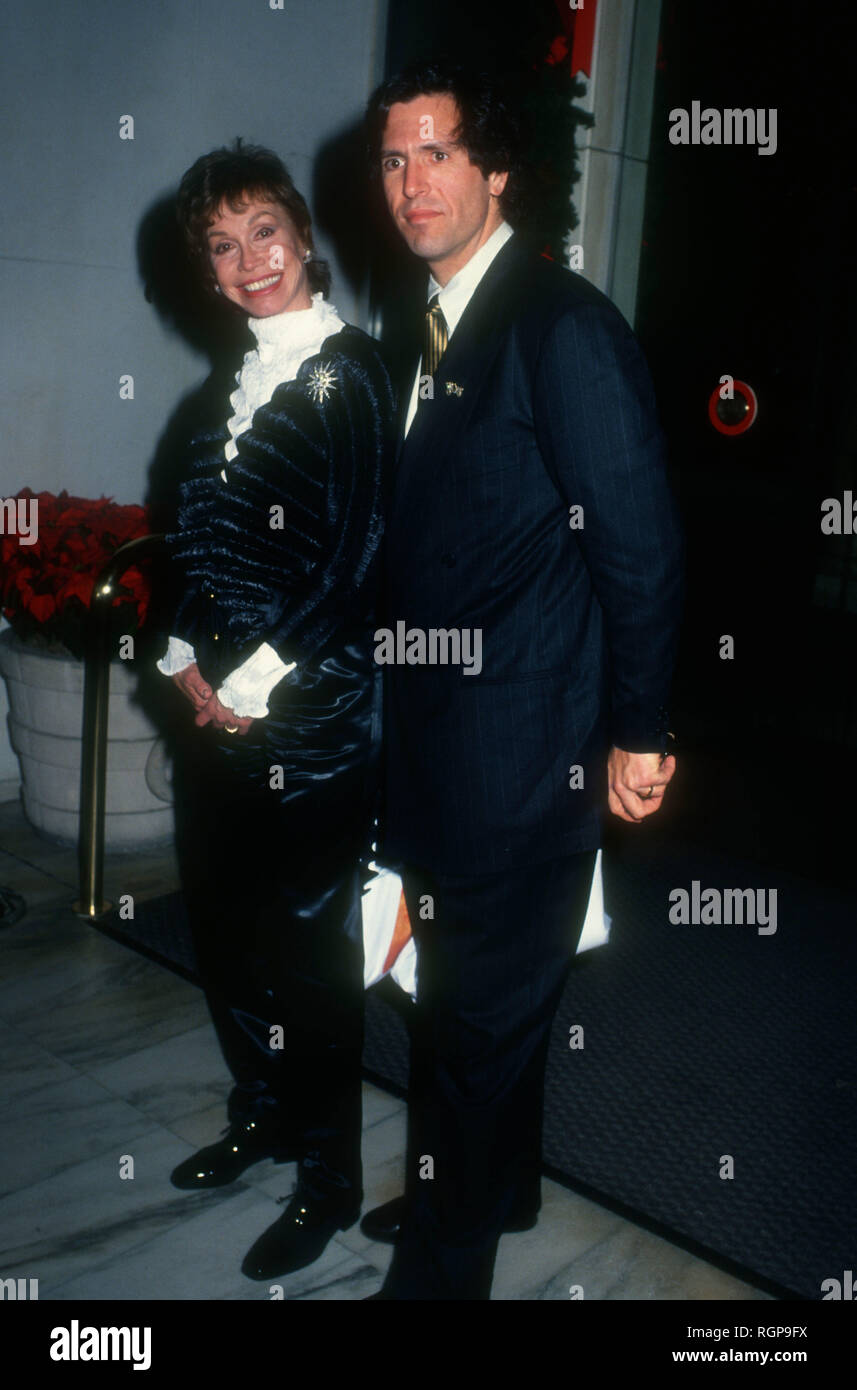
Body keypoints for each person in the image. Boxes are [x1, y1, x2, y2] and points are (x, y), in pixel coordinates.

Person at [361, 61, 684, 1300]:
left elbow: (639, 543)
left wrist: (639, 727)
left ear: (497, 171)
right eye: (392, 158)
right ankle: (496, 1187)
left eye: (437, 152)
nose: (410, 182)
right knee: (462, 996)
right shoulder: (434, 322)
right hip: (443, 737)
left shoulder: (559, 326)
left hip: (523, 742)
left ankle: (439, 1280)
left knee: (475, 1020)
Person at [155, 141, 395, 1281]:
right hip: (217, 724)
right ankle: (259, 1112)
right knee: (226, 930)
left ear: (301, 236)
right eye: (221, 244)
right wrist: (180, 664)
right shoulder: (215, 398)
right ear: (206, 271)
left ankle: (327, 1177)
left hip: (317, 719)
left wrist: (247, 683)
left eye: (263, 232)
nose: (248, 260)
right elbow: (187, 550)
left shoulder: (349, 374)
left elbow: (356, 565)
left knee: (308, 958)